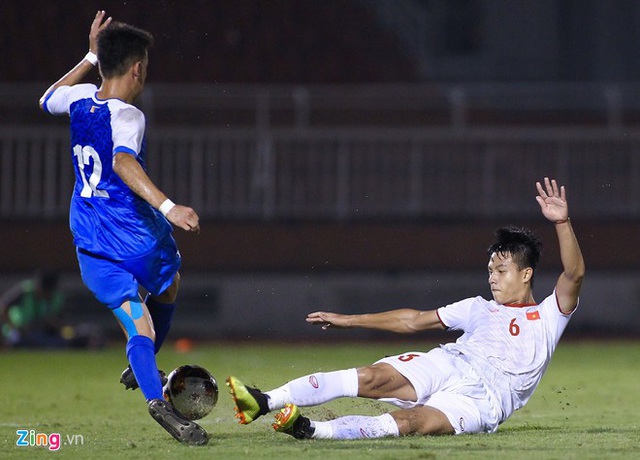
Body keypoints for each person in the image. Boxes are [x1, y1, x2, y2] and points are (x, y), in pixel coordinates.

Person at [227, 177, 585, 440]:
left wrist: (561, 223)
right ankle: (264, 400)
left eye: (501, 271)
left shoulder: (550, 315)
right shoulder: (478, 308)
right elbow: (414, 321)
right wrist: (350, 320)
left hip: (483, 401)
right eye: (490, 270)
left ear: (526, 274)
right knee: (371, 377)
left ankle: (310, 430)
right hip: (450, 363)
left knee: (413, 425)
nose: (492, 278)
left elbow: (575, 273)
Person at [38, 11, 207, 445]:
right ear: (137, 68)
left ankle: (155, 398)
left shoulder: (79, 100)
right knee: (168, 286)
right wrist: (169, 207)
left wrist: (90, 54)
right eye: (145, 67)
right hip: (136, 239)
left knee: (137, 323)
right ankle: (143, 363)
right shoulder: (128, 115)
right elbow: (122, 161)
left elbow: (47, 97)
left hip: (90, 243)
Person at [1, 271, 65, 348]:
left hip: (37, 332)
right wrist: (14, 327)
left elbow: (57, 319)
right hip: (17, 331)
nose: (46, 295)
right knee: (17, 341)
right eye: (44, 291)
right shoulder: (26, 291)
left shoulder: (55, 298)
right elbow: (3, 307)